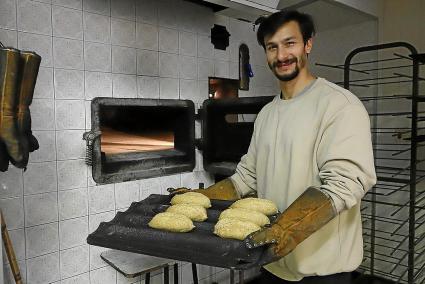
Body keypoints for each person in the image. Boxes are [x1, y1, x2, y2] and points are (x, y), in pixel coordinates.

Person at [172, 10, 376, 283]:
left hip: (321, 272)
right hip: (270, 262)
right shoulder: (268, 113)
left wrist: (284, 230)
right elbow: (247, 177)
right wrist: (202, 198)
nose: (281, 55)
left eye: (290, 43)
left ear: (308, 44)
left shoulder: (340, 106)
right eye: (272, 47)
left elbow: (343, 185)